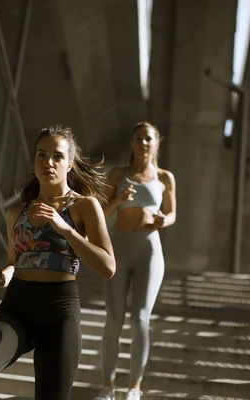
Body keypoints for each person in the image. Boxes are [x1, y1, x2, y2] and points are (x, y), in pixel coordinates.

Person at [0, 126, 116, 400]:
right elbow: (14, 261)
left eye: (57, 156)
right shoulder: (15, 211)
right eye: (41, 155)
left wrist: (64, 227)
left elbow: (107, 266)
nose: (48, 163)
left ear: (69, 164)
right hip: (16, 307)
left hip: (60, 312)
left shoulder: (85, 206)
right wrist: (4, 275)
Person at [94, 122, 177, 400]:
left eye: (148, 139)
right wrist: (118, 201)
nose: (143, 143)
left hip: (149, 250)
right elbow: (100, 215)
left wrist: (165, 220)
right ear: (131, 143)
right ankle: (107, 386)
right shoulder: (118, 174)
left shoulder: (165, 178)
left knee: (141, 318)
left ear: (157, 144)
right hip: (118, 247)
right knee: (114, 319)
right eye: (138, 138)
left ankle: (134, 389)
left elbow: (172, 213)